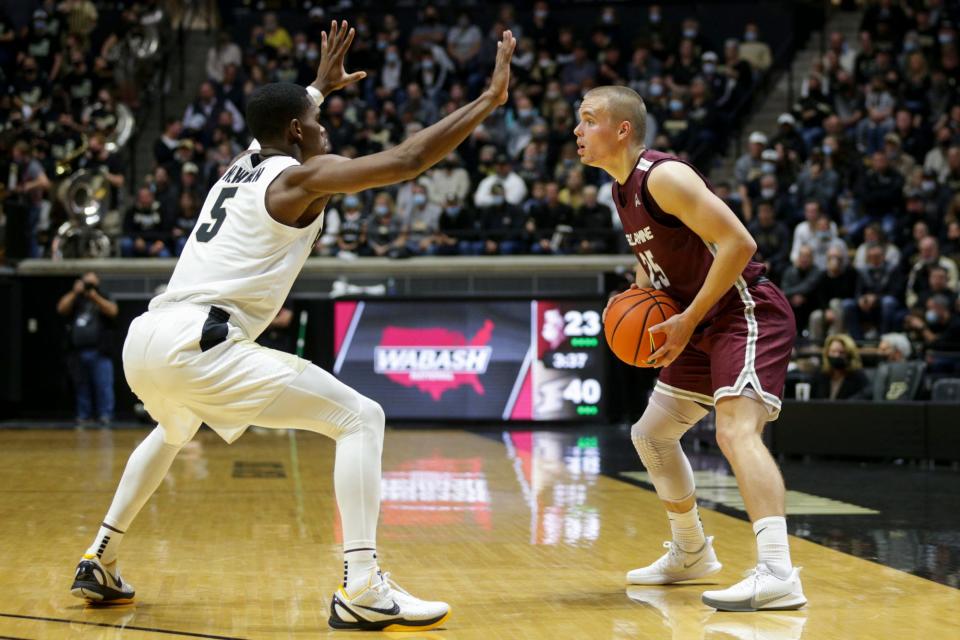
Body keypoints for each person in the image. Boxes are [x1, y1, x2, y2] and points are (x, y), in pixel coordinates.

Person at [70, 21, 516, 632]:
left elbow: (277, 118)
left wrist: (319, 87)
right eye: (320, 123)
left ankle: (101, 555)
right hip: (199, 341)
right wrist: (487, 101)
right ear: (299, 133)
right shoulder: (298, 178)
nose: (327, 131)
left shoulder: (241, 164)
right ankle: (362, 586)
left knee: (174, 429)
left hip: (148, 336)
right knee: (361, 417)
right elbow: (408, 160)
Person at [575, 85, 805, 611]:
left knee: (734, 430)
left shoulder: (665, 177)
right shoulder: (620, 190)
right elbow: (656, 261)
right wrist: (637, 299)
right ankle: (691, 551)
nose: (577, 131)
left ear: (622, 129)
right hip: (695, 322)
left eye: (588, 120)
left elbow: (739, 244)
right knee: (651, 436)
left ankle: (777, 570)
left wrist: (686, 320)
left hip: (743, 311)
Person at [57, 272, 118, 425]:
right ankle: (84, 415)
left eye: (92, 283)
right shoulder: (76, 299)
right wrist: (74, 292)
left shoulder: (103, 296)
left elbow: (113, 311)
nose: (88, 286)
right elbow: (61, 309)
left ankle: (106, 415)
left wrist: (94, 296)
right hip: (78, 352)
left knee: (103, 385)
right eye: (86, 283)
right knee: (81, 385)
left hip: (100, 351)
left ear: (98, 282)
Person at [811, 335, 869, 400]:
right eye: (833, 352)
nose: (837, 355)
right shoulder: (819, 374)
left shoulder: (858, 377)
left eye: (841, 353)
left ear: (849, 355)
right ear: (827, 353)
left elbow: (864, 397)